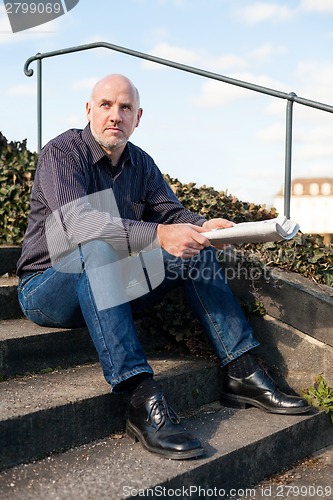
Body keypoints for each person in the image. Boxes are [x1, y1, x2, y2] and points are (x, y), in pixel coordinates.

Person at [17, 74, 309, 460]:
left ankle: (241, 370)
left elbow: (171, 213)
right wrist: (158, 234)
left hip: (110, 284)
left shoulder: (141, 163)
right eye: (106, 105)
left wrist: (204, 226)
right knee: (97, 245)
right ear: (89, 110)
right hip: (48, 288)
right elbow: (78, 225)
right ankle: (140, 398)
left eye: (125, 108)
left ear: (138, 117)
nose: (115, 115)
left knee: (196, 247)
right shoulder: (62, 154)